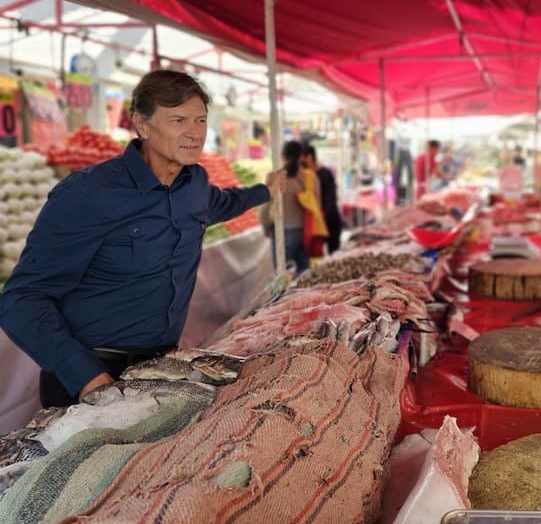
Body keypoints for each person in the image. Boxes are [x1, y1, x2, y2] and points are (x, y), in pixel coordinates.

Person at [0, 70, 280, 408]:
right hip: (91, 378)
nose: (195, 133)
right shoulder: (88, 193)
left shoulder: (195, 184)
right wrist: (87, 377)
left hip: (158, 371)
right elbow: (21, 299)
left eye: (201, 120)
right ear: (142, 125)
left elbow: (226, 203)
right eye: (178, 120)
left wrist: (266, 190)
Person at [260, 140, 313, 274]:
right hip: (301, 229)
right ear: (301, 155)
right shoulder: (303, 177)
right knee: (303, 273)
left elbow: (265, 207)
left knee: (284, 274)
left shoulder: (277, 178)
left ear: (283, 155)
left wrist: (265, 226)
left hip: (283, 231)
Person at [303, 144, 343, 254]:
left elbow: (331, 199)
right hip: (317, 224)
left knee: (333, 254)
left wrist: (321, 217)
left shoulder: (325, 174)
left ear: (310, 158)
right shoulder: (306, 176)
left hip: (330, 222)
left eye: (303, 161)